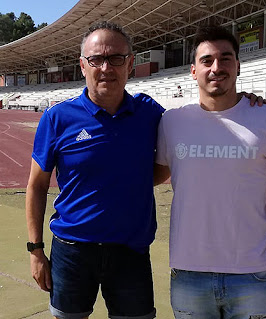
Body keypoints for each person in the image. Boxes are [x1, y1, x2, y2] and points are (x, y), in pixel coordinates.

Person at [154, 25, 266, 319]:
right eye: (207, 60)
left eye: (225, 58)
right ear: (193, 70)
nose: (216, 67)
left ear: (238, 65)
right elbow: (151, 176)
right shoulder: (171, 122)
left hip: (253, 274)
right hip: (189, 274)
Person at [26, 21, 164, 319]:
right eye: (96, 59)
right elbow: (36, 186)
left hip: (131, 251)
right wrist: (36, 250)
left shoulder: (150, 114)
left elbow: (201, 120)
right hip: (72, 251)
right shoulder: (57, 118)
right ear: (83, 65)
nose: (106, 67)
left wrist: (243, 100)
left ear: (129, 63)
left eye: (115, 58)